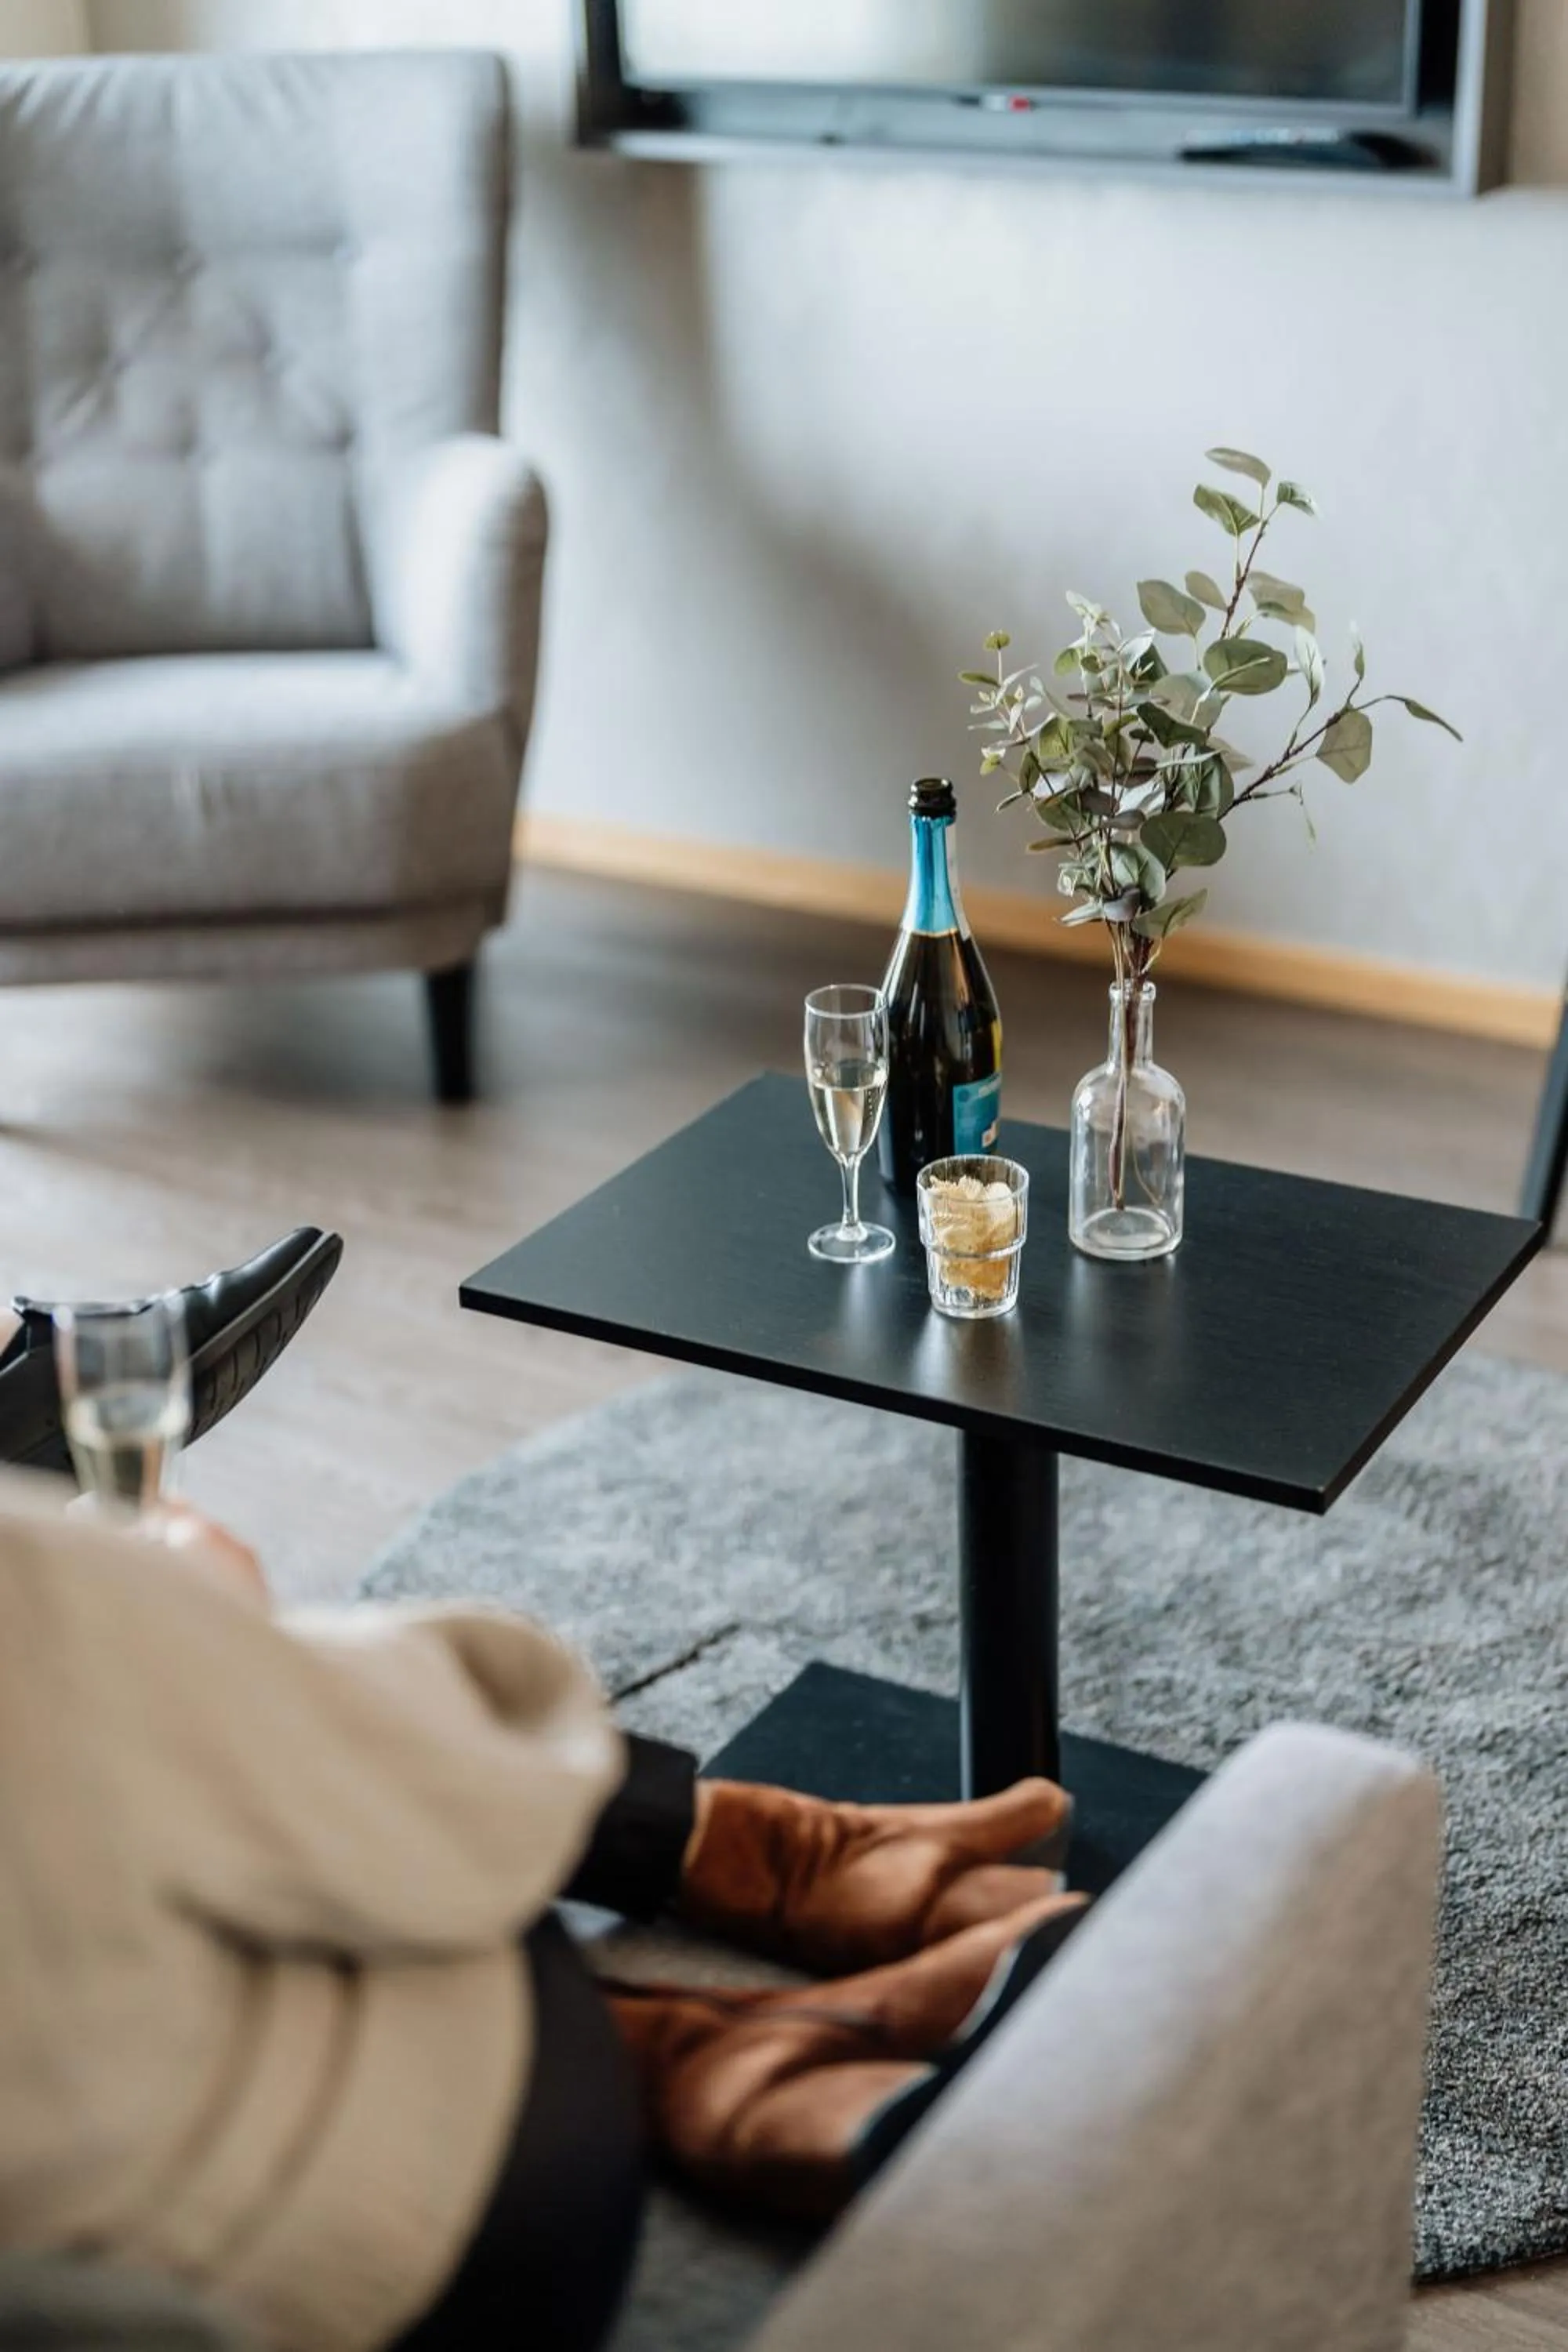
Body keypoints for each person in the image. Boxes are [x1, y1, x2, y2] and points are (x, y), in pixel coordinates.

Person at [0, 1248, 1086, 2352]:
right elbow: (423, 1807)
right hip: (455, 2223)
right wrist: (206, 1627)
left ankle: (744, 2001)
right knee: (275, 1728)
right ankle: (734, 1952)